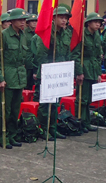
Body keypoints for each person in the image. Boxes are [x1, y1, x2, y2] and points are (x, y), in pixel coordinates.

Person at [0, 8, 31, 149]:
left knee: (15, 109)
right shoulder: (3, 35)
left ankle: (12, 135)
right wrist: (0, 78)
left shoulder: (23, 35)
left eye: (24, 20)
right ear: (12, 21)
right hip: (7, 76)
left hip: (19, 76)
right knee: (5, 110)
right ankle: (3, 137)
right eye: (20, 20)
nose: (23, 22)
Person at [35, 7, 71, 140]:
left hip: (60, 74)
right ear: (54, 18)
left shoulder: (66, 33)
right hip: (47, 74)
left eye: (66, 18)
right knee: (45, 104)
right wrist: (47, 72)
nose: (64, 20)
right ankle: (43, 129)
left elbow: (67, 54)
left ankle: (53, 128)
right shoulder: (47, 32)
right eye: (61, 17)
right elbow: (41, 55)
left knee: (56, 103)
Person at [71, 12, 103, 132]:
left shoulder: (96, 36)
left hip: (93, 70)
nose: (98, 24)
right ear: (88, 23)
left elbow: (98, 56)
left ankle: (87, 122)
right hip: (84, 69)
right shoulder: (82, 35)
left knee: (89, 98)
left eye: (99, 22)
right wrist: (79, 72)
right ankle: (80, 122)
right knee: (82, 98)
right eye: (95, 21)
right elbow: (76, 55)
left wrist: (99, 73)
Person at [25, 14, 38, 90]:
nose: (34, 23)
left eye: (36, 21)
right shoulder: (25, 33)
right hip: (28, 60)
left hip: (36, 59)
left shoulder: (38, 31)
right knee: (27, 81)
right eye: (32, 21)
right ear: (28, 23)